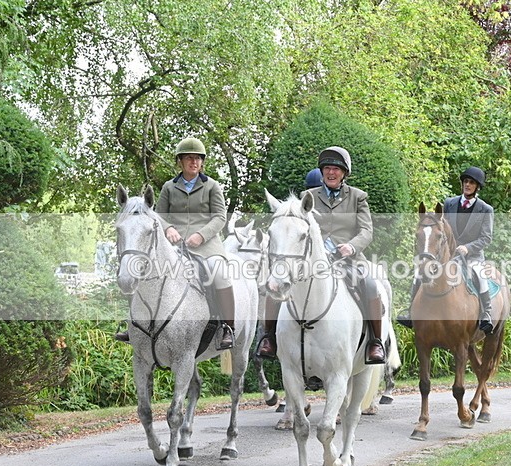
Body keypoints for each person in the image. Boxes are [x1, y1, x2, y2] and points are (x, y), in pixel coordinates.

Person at [255, 146, 386, 364]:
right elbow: (297, 228)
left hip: (348, 259)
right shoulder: (308, 197)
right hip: (313, 260)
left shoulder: (358, 197)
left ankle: (375, 342)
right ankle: (269, 338)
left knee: (370, 284)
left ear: (344, 173)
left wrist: (351, 247)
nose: (331, 173)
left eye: (336, 169)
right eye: (327, 168)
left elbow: (366, 232)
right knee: (276, 284)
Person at [115, 137, 236, 348]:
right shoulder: (169, 187)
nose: (194, 162)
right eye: (189, 158)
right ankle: (134, 324)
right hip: (175, 245)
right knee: (139, 269)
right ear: (180, 161)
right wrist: (168, 228)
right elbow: (156, 215)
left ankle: (228, 327)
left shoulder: (212, 186)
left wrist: (201, 235)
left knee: (219, 273)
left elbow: (220, 218)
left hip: (207, 245)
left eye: (198, 158)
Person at [397, 166, 495, 334]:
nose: (467, 185)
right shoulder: (449, 203)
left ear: (477, 187)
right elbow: (442, 228)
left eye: (471, 183)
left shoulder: (485, 209)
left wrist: (467, 248)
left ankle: (486, 313)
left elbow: (486, 237)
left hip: (472, 255)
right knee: (419, 272)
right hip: (448, 254)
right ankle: (410, 311)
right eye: (465, 181)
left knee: (480, 274)